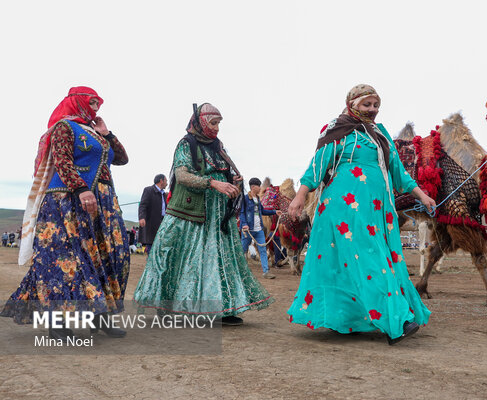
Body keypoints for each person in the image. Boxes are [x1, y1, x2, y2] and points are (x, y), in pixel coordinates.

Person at [287, 84, 434, 345]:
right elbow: (317, 166)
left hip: (377, 210)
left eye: (376, 105)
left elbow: (397, 171)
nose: (372, 110)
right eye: (367, 105)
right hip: (344, 208)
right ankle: (396, 322)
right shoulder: (337, 130)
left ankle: (349, 318)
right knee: (369, 260)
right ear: (352, 103)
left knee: (370, 261)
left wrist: (422, 195)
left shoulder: (379, 133)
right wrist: (301, 195)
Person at [0, 86, 130, 339]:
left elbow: (122, 159)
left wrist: (108, 133)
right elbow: (62, 160)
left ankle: (99, 316)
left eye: (98, 104)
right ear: (78, 102)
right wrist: (81, 189)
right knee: (64, 260)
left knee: (107, 255)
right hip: (68, 199)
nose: (96, 108)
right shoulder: (64, 127)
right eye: (92, 103)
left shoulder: (96, 134)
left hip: (102, 201)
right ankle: (56, 322)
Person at [133, 103, 273, 326]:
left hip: (218, 217)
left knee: (219, 260)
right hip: (190, 212)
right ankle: (170, 307)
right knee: (182, 257)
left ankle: (223, 308)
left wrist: (233, 180)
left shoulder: (218, 147)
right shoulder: (186, 144)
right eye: (213, 123)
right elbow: (182, 175)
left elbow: (229, 171)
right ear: (201, 122)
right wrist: (212, 183)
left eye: (219, 124)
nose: (217, 128)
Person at [240, 177, 280, 279]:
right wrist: (244, 224)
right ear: (253, 187)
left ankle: (266, 272)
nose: (260, 188)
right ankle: (240, 271)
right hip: (248, 230)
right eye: (259, 186)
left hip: (259, 230)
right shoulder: (244, 198)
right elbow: (242, 213)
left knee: (262, 249)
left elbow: (263, 211)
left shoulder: (257, 199)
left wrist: (275, 211)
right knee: (243, 250)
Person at [138, 174, 168, 254]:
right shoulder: (149, 190)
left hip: (162, 223)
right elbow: (143, 205)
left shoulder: (163, 194)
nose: (167, 183)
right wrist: (141, 217)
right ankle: (150, 265)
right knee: (151, 247)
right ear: (161, 181)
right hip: (151, 223)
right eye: (166, 181)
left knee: (160, 246)